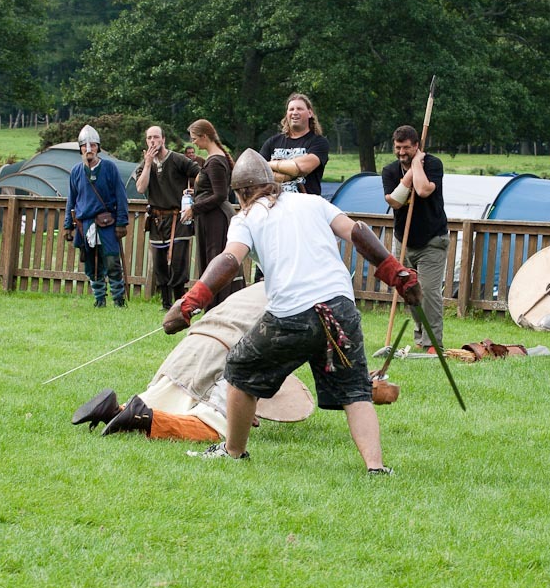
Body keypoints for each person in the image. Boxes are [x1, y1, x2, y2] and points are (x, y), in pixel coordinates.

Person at [163, 149, 422, 474]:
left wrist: (190, 302)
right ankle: (375, 467)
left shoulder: (245, 218)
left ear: (241, 193)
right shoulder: (312, 202)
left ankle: (233, 452)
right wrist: (396, 272)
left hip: (292, 314)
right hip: (340, 309)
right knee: (356, 390)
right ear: (271, 183)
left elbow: (230, 260)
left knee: (240, 370)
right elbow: (357, 231)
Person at [71, 282, 269, 440]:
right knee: (214, 425)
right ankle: (142, 418)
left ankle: (113, 411)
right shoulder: (290, 298)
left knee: (165, 400)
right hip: (224, 352)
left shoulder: (257, 289)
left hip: (192, 344)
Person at [381, 125, 449, 351]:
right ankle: (421, 337)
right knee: (411, 292)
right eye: (398, 147)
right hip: (404, 241)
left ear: (417, 146)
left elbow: (423, 191)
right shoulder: (390, 171)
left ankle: (432, 344)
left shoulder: (433, 164)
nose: (401, 152)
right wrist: (410, 170)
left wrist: (417, 164)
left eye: (407, 148)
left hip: (432, 240)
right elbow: (395, 201)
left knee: (429, 292)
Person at [135, 125, 201, 309]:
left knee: (178, 263)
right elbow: (140, 188)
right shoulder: (145, 165)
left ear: (163, 139)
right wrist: (148, 164)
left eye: (156, 137)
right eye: (149, 138)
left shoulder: (178, 159)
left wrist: (194, 192)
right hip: (157, 219)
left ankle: (180, 303)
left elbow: (201, 174)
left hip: (178, 218)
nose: (153, 141)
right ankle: (165, 303)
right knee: (160, 264)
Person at [63, 125, 129, 308]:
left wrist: (121, 222)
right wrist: (68, 224)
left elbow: (121, 196)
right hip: (85, 224)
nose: (89, 149)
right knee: (91, 264)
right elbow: (72, 199)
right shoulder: (76, 171)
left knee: (112, 261)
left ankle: (118, 300)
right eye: (85, 145)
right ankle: (99, 299)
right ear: (81, 149)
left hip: (107, 223)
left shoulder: (109, 168)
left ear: (98, 147)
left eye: (92, 145)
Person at [183, 119, 244, 309]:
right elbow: (212, 190)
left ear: (204, 136)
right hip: (211, 217)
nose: (193, 143)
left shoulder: (215, 161)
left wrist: (194, 208)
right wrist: (197, 194)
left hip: (215, 219)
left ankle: (219, 307)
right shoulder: (215, 159)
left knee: (215, 264)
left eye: (195, 139)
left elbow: (220, 195)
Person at [259, 92, 329, 195]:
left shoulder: (319, 142)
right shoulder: (272, 142)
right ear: (287, 114)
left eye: (299, 109)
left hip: (305, 206)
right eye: (291, 109)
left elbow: (302, 167)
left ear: (310, 113)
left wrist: (268, 165)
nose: (295, 112)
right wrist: (289, 171)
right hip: (275, 204)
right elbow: (258, 172)